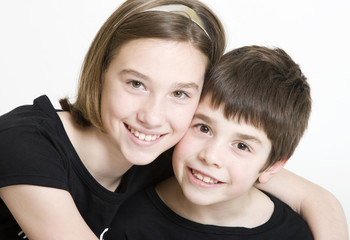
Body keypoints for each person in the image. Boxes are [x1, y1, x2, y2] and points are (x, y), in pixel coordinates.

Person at [0, 0, 348, 239]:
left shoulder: (171, 150)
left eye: (180, 93)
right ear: (101, 71)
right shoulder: (24, 144)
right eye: (136, 83)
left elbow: (316, 199)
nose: (152, 117)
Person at [105, 45, 315, 239]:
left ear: (272, 166)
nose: (210, 156)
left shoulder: (294, 234)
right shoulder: (131, 221)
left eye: (242, 146)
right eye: (204, 128)